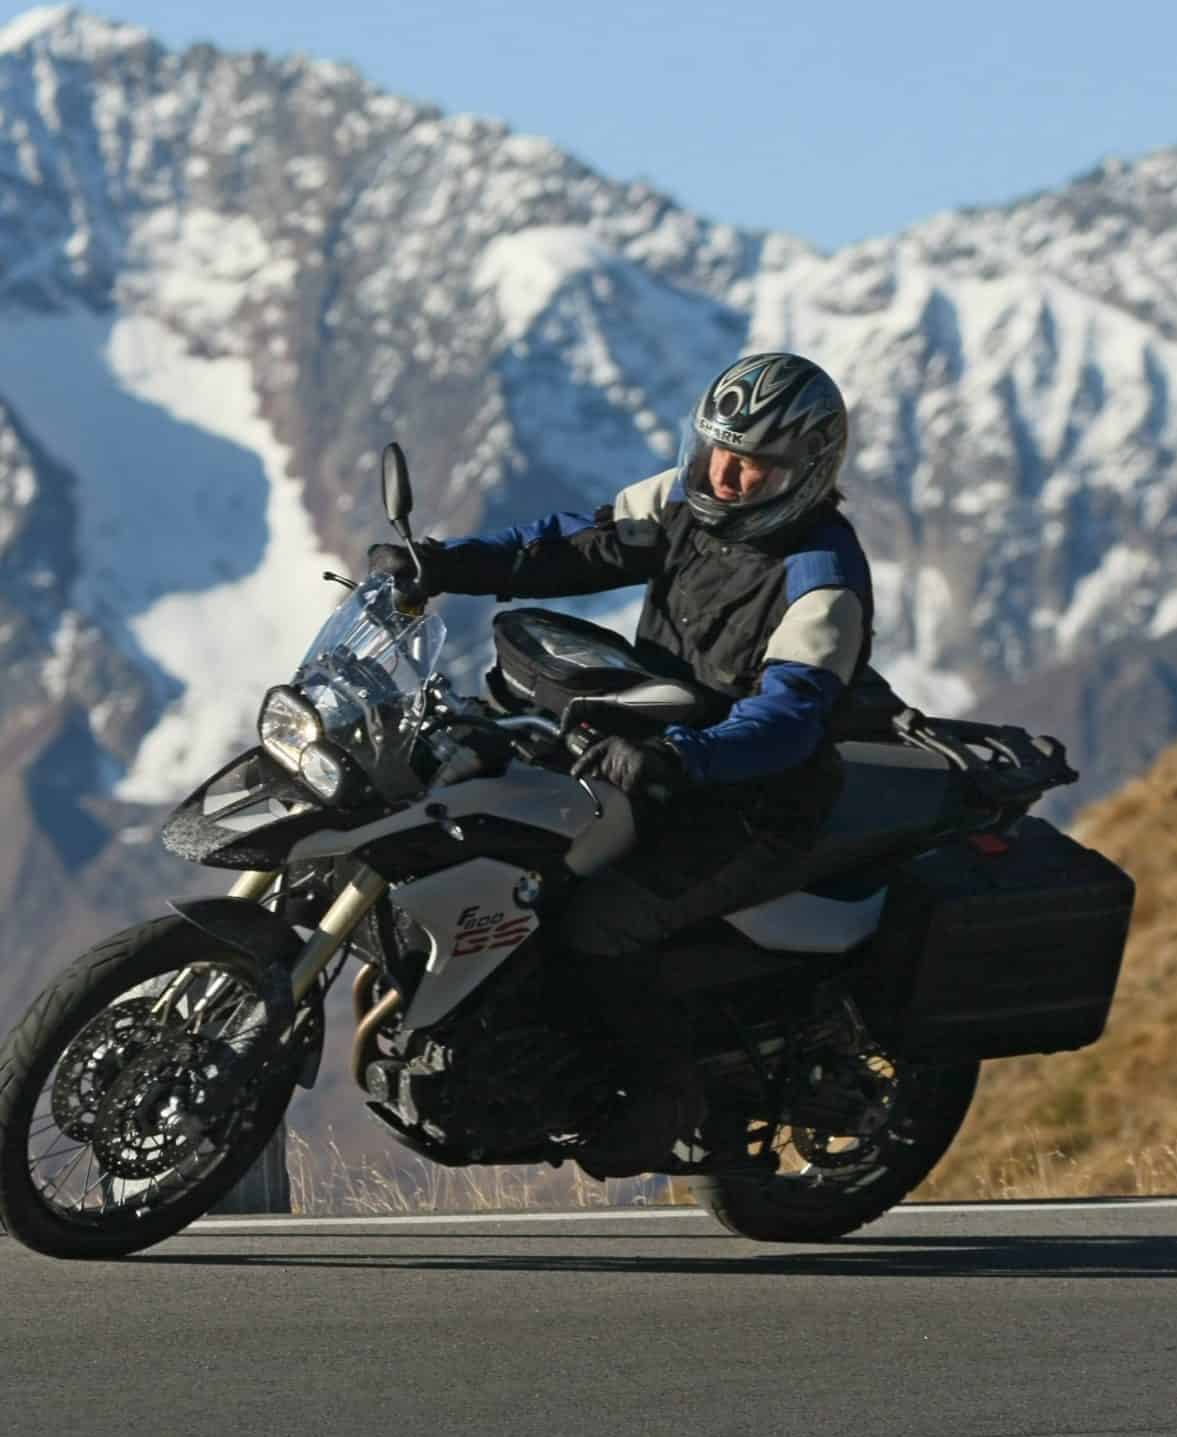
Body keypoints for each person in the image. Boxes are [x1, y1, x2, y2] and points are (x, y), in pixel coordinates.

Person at [370, 350, 873, 1161]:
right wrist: (447, 564)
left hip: (750, 802)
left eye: (755, 467)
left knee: (599, 923)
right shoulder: (683, 498)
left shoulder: (823, 583)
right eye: (719, 453)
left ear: (808, 472)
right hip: (647, 749)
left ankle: (664, 1094)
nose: (728, 478)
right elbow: (575, 545)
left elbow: (789, 720)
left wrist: (689, 756)